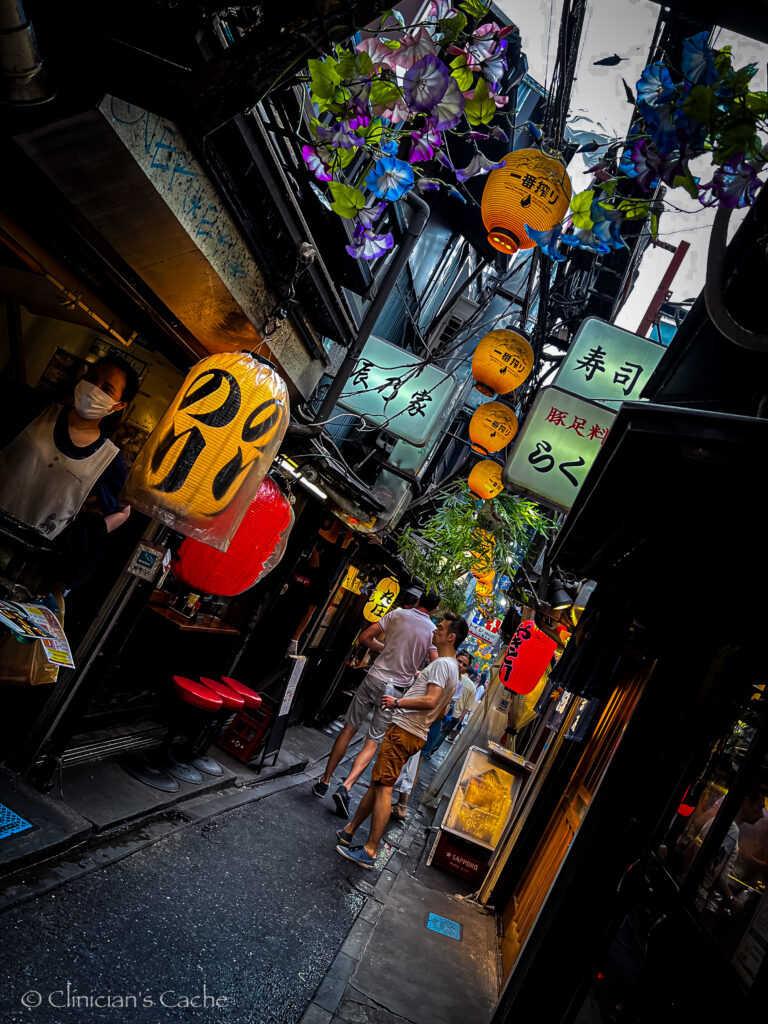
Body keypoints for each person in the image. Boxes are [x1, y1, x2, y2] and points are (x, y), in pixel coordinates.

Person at [335, 611, 468, 868]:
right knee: (378, 783)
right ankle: (349, 830)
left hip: (406, 730)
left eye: (440, 629)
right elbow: (440, 708)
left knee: (384, 787)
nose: (434, 631)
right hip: (413, 730)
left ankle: (371, 850)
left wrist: (398, 702)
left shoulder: (442, 665)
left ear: (451, 637)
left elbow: (431, 700)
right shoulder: (452, 670)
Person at [0, 357, 138, 584]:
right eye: (92, 379)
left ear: (119, 405)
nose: (94, 389)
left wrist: (91, 533)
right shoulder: (34, 409)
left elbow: (123, 510)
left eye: (106, 389)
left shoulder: (109, 460)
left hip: (27, 559)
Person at [313, 590, 440, 817]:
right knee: (373, 740)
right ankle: (347, 786)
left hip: (374, 677)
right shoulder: (432, 631)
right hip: (396, 690)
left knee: (349, 728)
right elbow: (434, 667)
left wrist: (385, 648)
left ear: (418, 600)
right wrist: (415, 671)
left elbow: (365, 637)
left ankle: (324, 780)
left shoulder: (397, 614)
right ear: (435, 609)